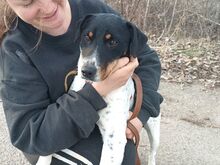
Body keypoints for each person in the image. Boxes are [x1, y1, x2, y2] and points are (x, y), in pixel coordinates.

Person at [0, 0, 163, 164]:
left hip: (105, 109)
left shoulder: (95, 11)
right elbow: (31, 135)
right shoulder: (14, 49)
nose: (48, 8)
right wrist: (99, 90)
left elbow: (148, 60)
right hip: (47, 134)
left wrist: (141, 112)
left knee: (125, 151)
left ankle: (153, 158)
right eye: (27, 3)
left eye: (111, 42)